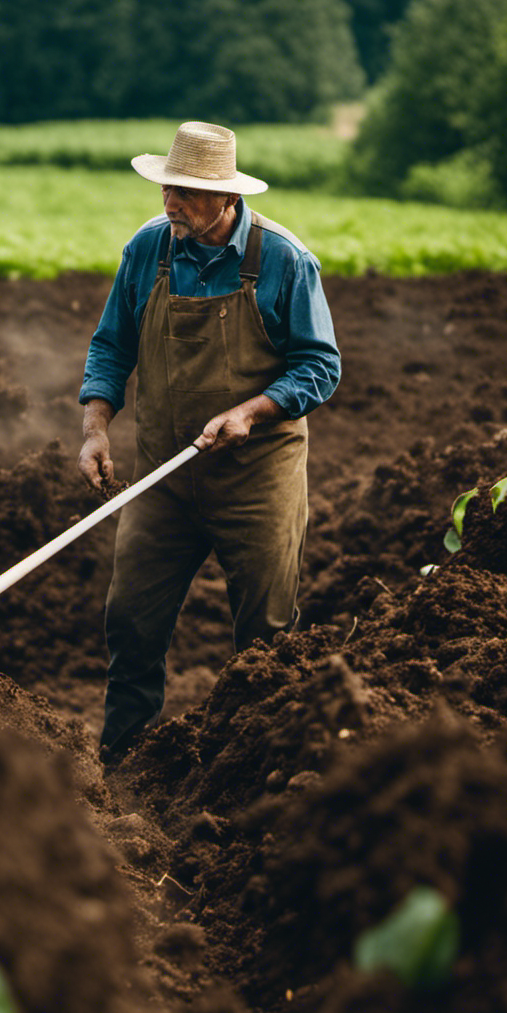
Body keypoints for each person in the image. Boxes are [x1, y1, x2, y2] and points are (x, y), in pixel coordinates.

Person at [77, 121, 341, 763]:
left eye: (188, 194)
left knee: (266, 633)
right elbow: (112, 345)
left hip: (256, 477)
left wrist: (252, 410)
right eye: (168, 188)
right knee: (131, 618)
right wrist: (95, 428)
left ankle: (256, 765)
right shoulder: (149, 250)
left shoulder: (282, 259)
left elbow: (320, 365)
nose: (170, 204)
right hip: (163, 475)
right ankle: (123, 761)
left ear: (227, 199)